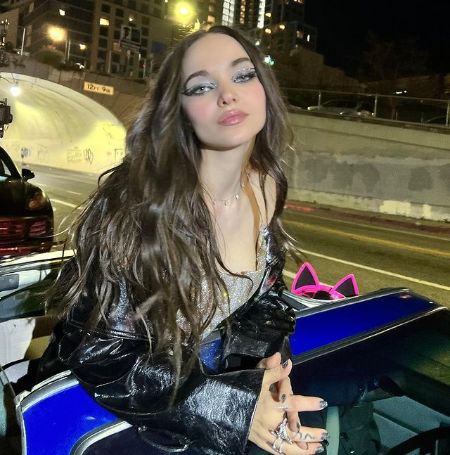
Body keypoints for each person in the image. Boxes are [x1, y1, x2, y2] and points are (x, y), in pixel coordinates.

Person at [37, 26, 328, 454]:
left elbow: (261, 295)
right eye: (201, 86)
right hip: (97, 411)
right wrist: (230, 410)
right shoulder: (137, 204)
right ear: (178, 109)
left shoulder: (267, 183)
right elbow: (100, 354)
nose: (228, 95)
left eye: (243, 75)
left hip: (193, 379)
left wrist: (267, 368)